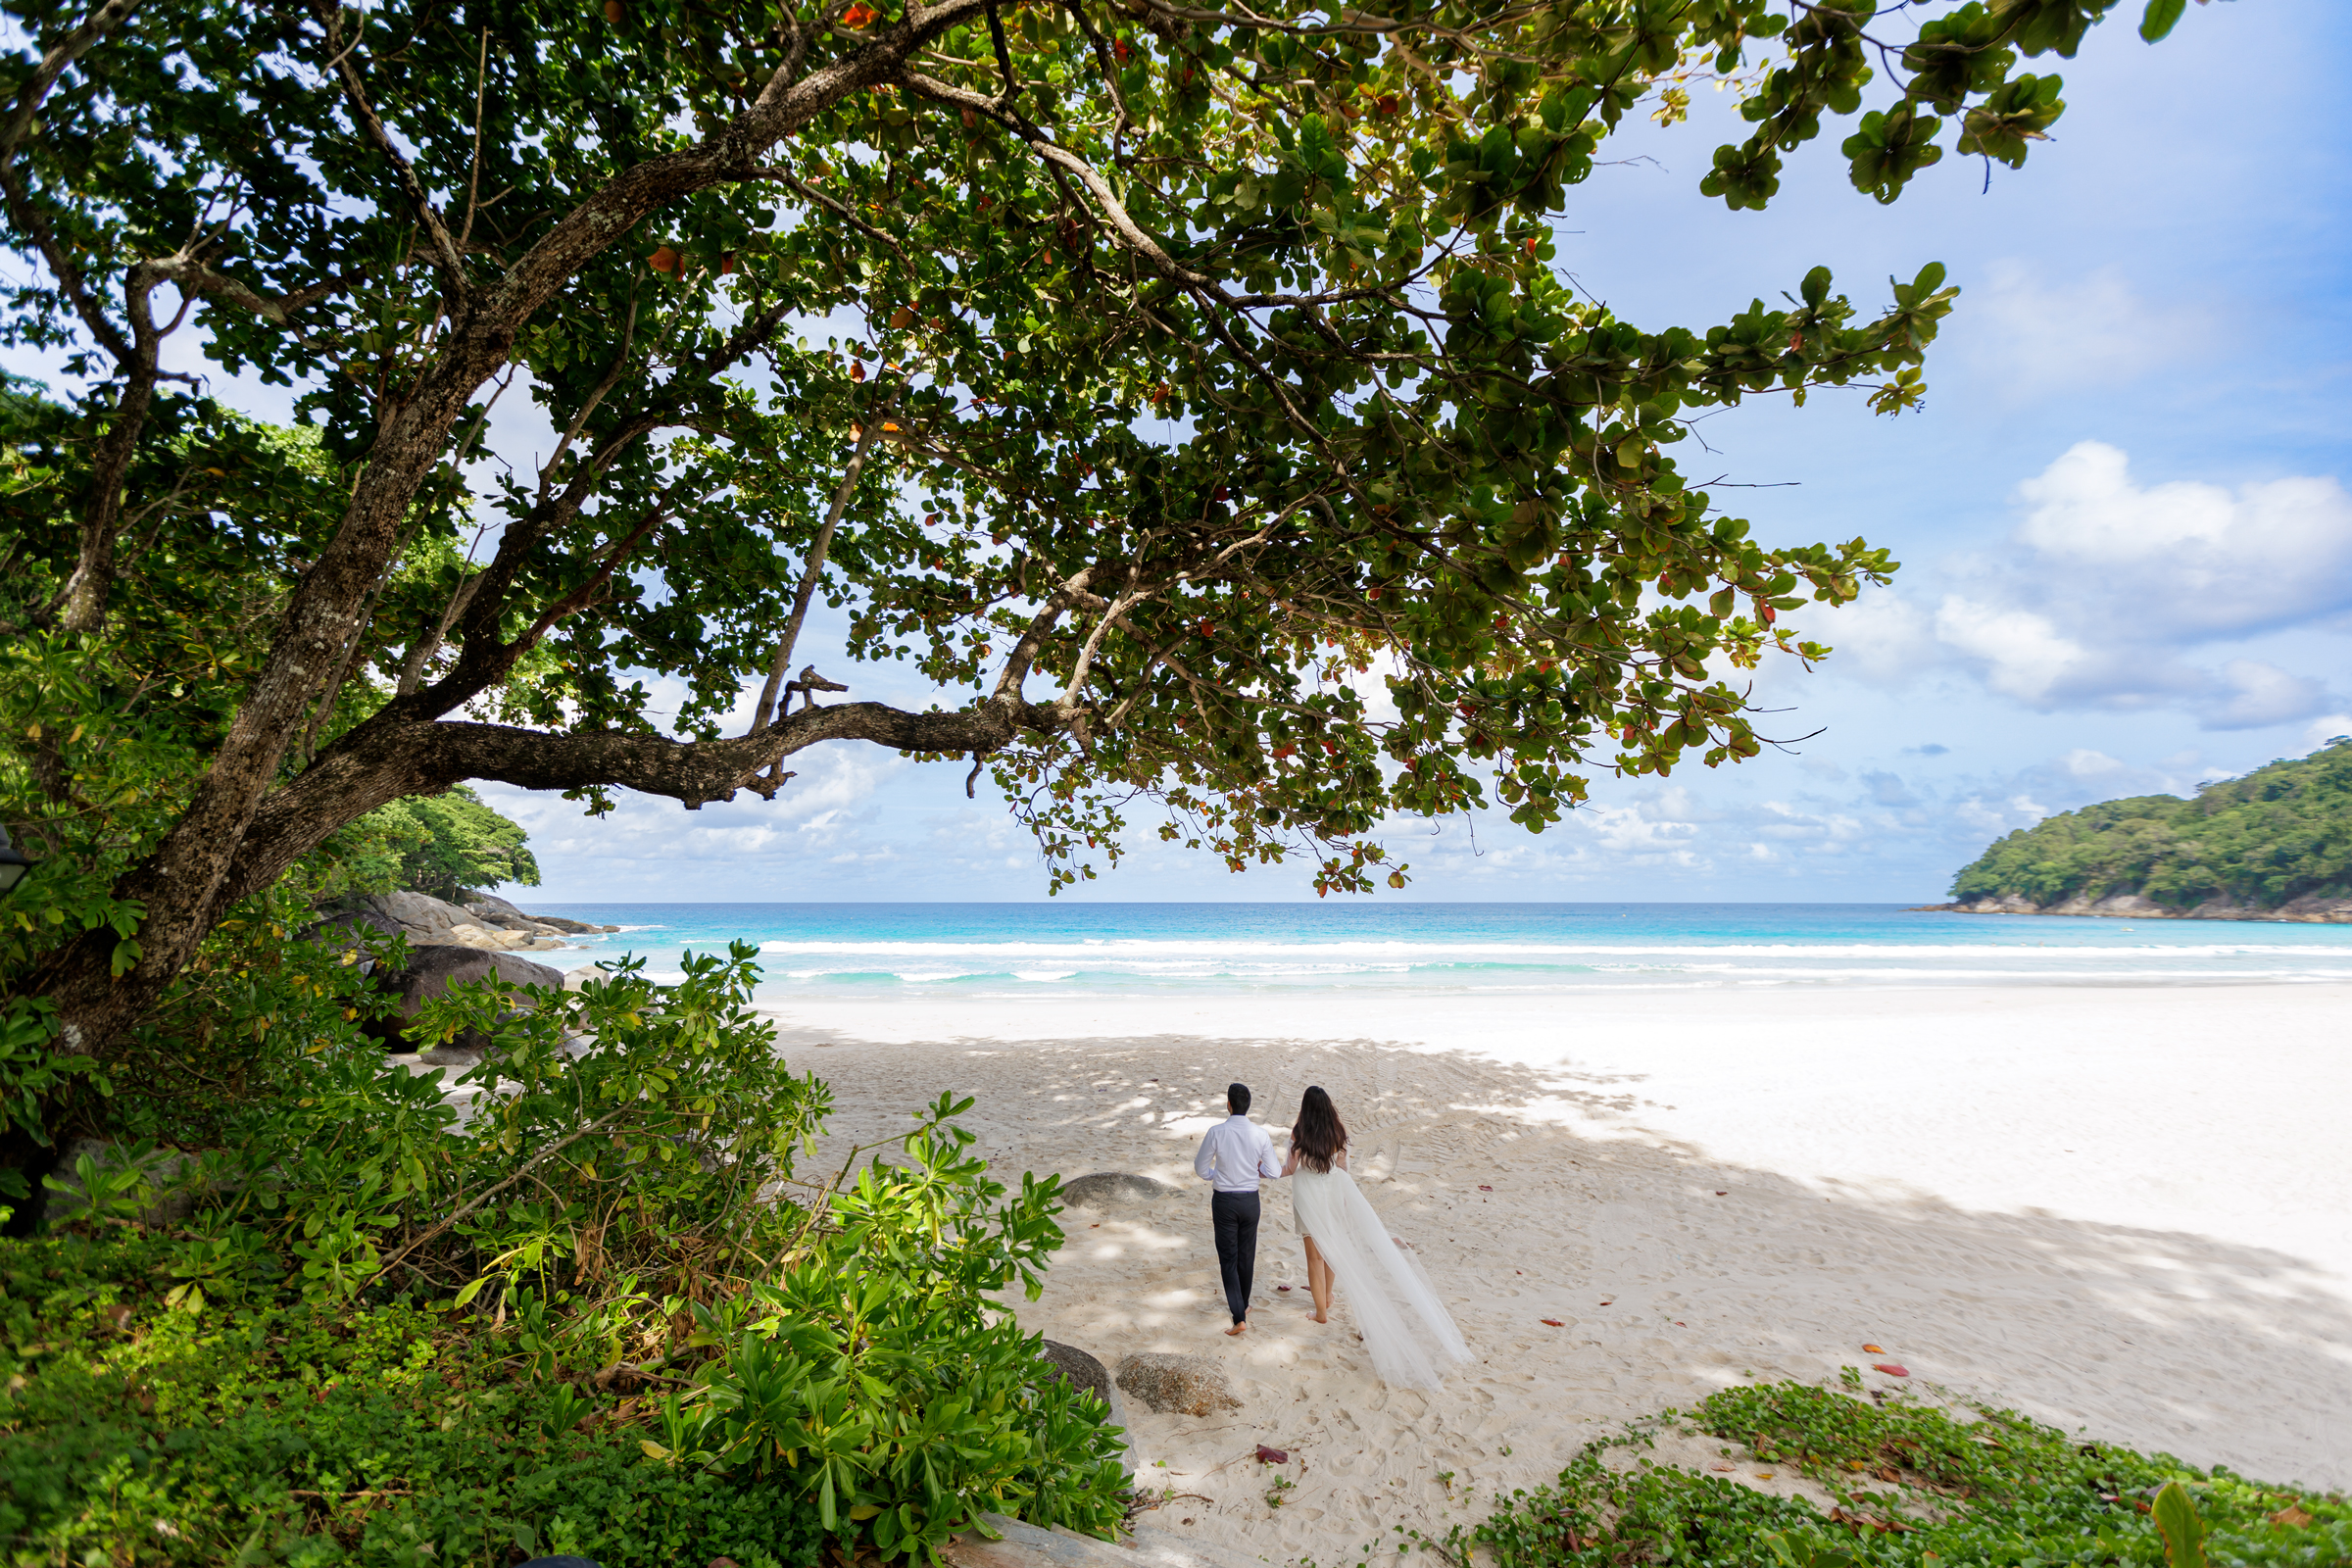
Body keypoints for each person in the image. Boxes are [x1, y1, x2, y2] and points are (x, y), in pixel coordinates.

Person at [1282, 1085, 1472, 1389]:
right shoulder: (1338, 1132)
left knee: (1313, 1256)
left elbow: (1290, 1169)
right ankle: (1329, 1298)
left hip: (1307, 1195)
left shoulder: (1298, 1134)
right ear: (1329, 1107)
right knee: (1333, 1250)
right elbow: (1343, 1168)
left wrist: (1266, 1171)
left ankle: (1320, 1312)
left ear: (1305, 1109)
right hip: (1333, 1192)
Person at [1193, 1081, 1283, 1336]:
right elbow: (1274, 1172)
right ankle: (1243, 1305)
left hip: (1225, 1201)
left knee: (1228, 1259)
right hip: (1250, 1200)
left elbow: (1200, 1168)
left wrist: (1215, 1175)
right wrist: (1258, 1172)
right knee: (1246, 1256)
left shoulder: (1216, 1132)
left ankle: (1239, 1316)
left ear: (1229, 1105)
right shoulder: (1260, 1134)